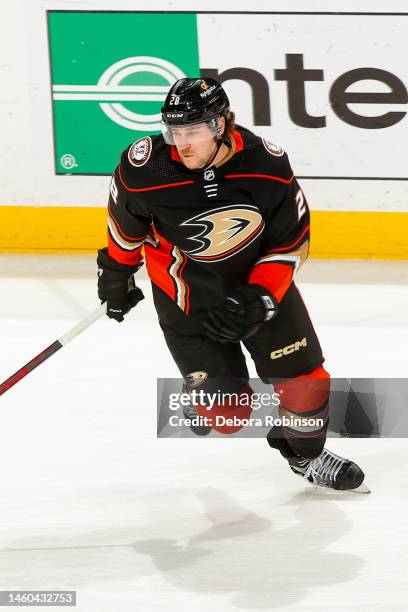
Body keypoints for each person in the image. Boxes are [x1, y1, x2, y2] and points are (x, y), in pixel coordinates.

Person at [97, 77, 369, 493]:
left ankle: (305, 455)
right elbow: (125, 227)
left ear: (221, 124)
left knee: (307, 385)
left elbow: (292, 239)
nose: (181, 143)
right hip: (185, 299)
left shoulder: (267, 165)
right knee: (228, 417)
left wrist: (261, 295)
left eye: (193, 131)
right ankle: (204, 391)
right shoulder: (145, 168)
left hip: (257, 292)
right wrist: (115, 275)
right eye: (174, 131)